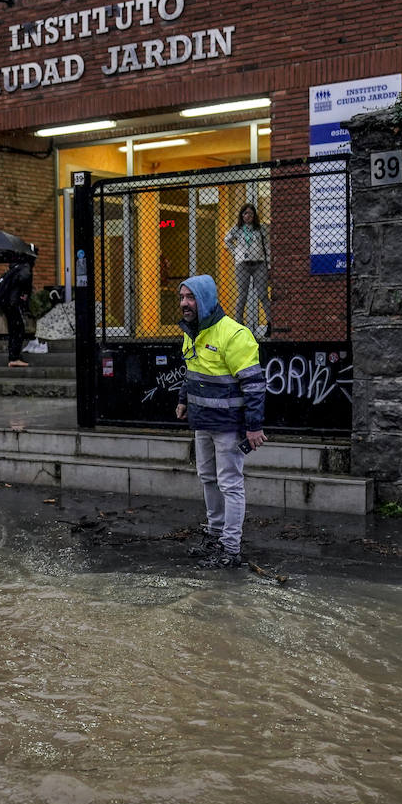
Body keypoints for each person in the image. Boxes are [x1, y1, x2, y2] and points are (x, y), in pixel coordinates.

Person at [174, 274, 268, 568]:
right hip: (203, 423)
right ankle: (215, 537)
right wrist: (182, 399)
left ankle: (230, 548)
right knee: (208, 479)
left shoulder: (234, 334)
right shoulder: (192, 332)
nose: (185, 304)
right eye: (182, 298)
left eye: (190, 298)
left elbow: (253, 384)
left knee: (230, 484)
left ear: (205, 299)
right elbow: (192, 371)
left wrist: (253, 426)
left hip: (228, 426)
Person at [223, 203, 271, 335]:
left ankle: (270, 322)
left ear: (254, 215)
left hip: (259, 263)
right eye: (245, 213)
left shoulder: (260, 229)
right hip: (242, 265)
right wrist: (235, 252)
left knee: (263, 294)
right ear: (241, 215)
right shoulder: (237, 229)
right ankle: (239, 323)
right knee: (242, 294)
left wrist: (269, 265)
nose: (248, 216)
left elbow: (267, 246)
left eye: (250, 213)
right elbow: (226, 240)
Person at [0, 258, 35, 367]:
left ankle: (13, 356)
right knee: (18, 328)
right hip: (14, 302)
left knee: (14, 328)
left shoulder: (14, 267)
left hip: (6, 302)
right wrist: (25, 292)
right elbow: (24, 277)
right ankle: (14, 357)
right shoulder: (25, 266)